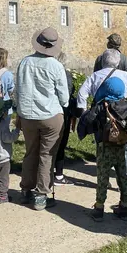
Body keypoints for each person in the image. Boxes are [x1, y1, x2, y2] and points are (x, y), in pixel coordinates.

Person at [15, 27, 69, 211]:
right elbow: (64, 97)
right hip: (50, 115)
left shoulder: (25, 62)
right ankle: (41, 195)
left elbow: (18, 89)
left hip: (28, 116)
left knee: (31, 152)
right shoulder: (56, 66)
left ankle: (26, 191)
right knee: (47, 155)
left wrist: (19, 112)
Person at [77, 48, 127, 173]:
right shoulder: (125, 75)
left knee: (101, 143)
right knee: (122, 142)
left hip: (100, 113)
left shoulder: (95, 75)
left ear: (103, 61)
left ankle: (103, 175)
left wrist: (84, 111)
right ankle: (122, 175)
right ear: (118, 62)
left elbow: (82, 94)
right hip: (121, 113)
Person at [0, 98, 21, 203]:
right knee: (3, 178)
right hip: (3, 157)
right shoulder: (3, 126)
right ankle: (2, 196)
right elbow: (8, 138)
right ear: (3, 113)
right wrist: (17, 131)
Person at [53, 51, 77, 186]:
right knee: (61, 143)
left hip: (47, 110)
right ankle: (59, 175)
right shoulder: (65, 74)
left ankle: (46, 173)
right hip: (63, 111)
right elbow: (67, 93)